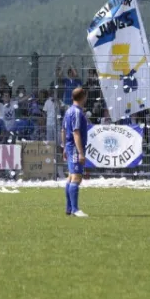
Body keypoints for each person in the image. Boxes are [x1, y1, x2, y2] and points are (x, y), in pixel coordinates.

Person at [62, 87, 89, 217]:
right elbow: (76, 132)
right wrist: (80, 153)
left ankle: (69, 208)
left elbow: (63, 130)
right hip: (74, 148)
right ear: (83, 97)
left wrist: (64, 147)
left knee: (71, 176)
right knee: (76, 177)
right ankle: (75, 209)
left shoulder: (68, 111)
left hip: (69, 147)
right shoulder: (77, 112)